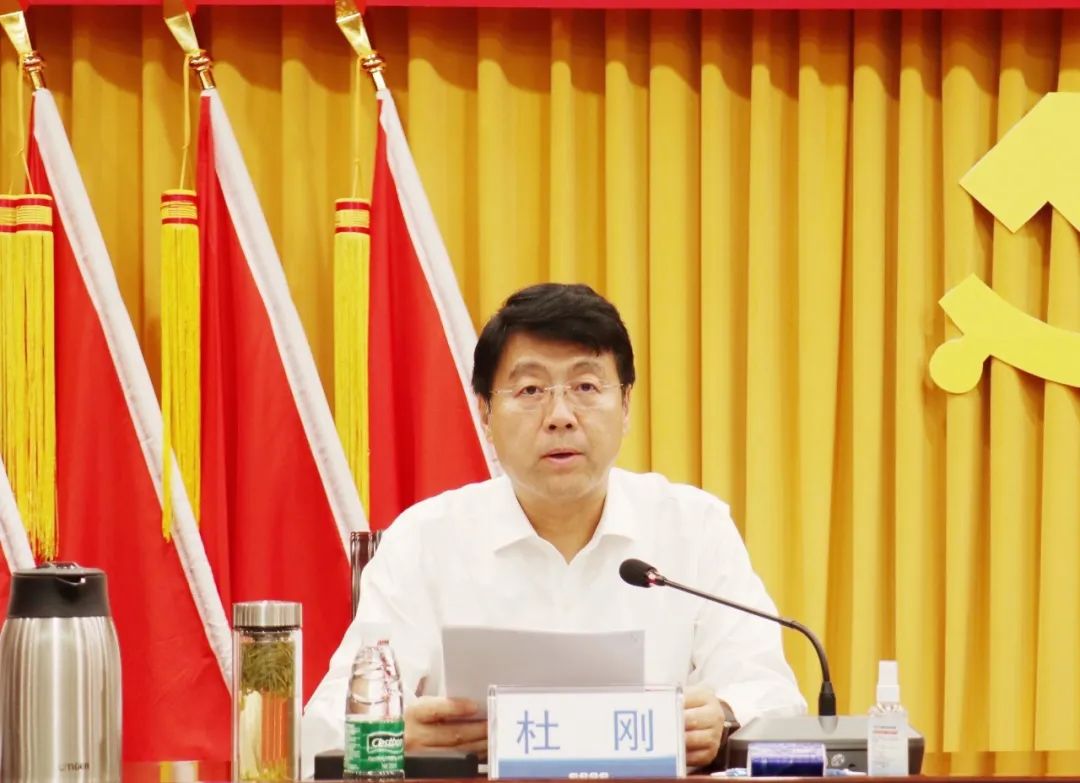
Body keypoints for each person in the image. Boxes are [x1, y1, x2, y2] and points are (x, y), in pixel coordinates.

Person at [302, 283, 805, 777]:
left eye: (586, 387)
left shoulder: (694, 528)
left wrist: (725, 719)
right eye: (530, 390)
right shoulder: (424, 542)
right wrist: (391, 734)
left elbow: (776, 700)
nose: (560, 417)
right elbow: (321, 731)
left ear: (626, 405)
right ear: (485, 413)